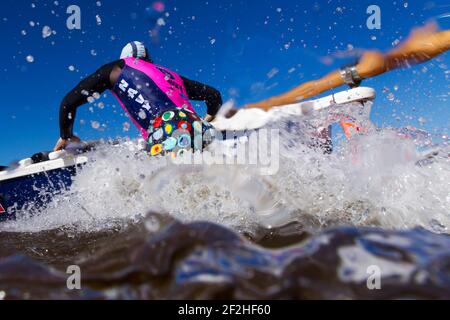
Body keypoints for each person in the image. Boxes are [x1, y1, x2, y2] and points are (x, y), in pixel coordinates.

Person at [54, 41, 223, 157]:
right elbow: (214, 96)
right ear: (148, 60)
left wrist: (66, 135)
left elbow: (68, 103)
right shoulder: (170, 75)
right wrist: (202, 120)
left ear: (123, 57)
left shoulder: (115, 68)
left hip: (166, 134)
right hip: (201, 130)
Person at [241, 22, 449, 112]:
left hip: (373, 62)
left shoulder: (420, 43)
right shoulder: (372, 64)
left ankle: (267, 104)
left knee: (317, 86)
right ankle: (266, 104)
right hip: (371, 64)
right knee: (316, 87)